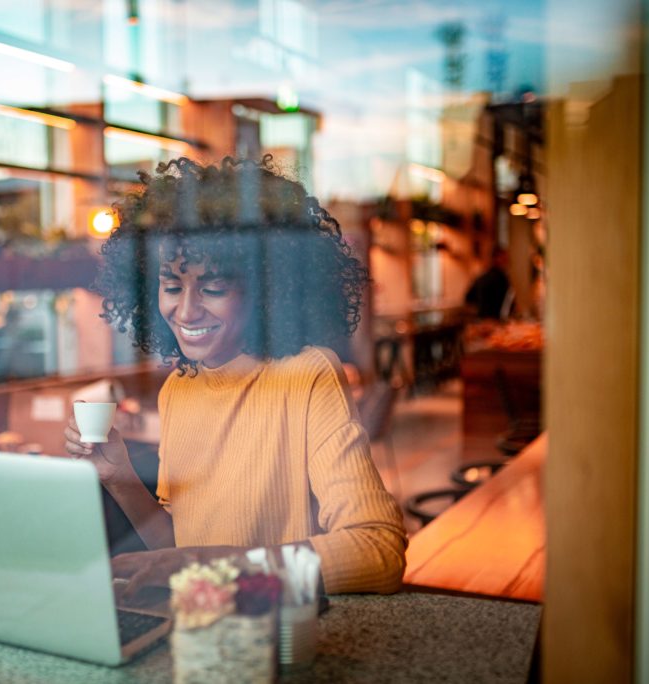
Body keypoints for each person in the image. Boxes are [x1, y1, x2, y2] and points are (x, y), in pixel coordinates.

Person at [64, 157, 407, 596]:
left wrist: (221, 565)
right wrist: (121, 478)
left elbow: (377, 549)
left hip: (278, 635)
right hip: (206, 630)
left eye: (213, 289)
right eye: (171, 287)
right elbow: (182, 554)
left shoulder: (306, 375)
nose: (185, 311)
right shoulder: (178, 390)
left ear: (264, 290)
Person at [464, 246, 512, 319]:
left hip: (482, 319)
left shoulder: (482, 276)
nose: (507, 260)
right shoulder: (501, 278)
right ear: (496, 258)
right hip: (495, 321)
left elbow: (468, 298)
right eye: (504, 258)